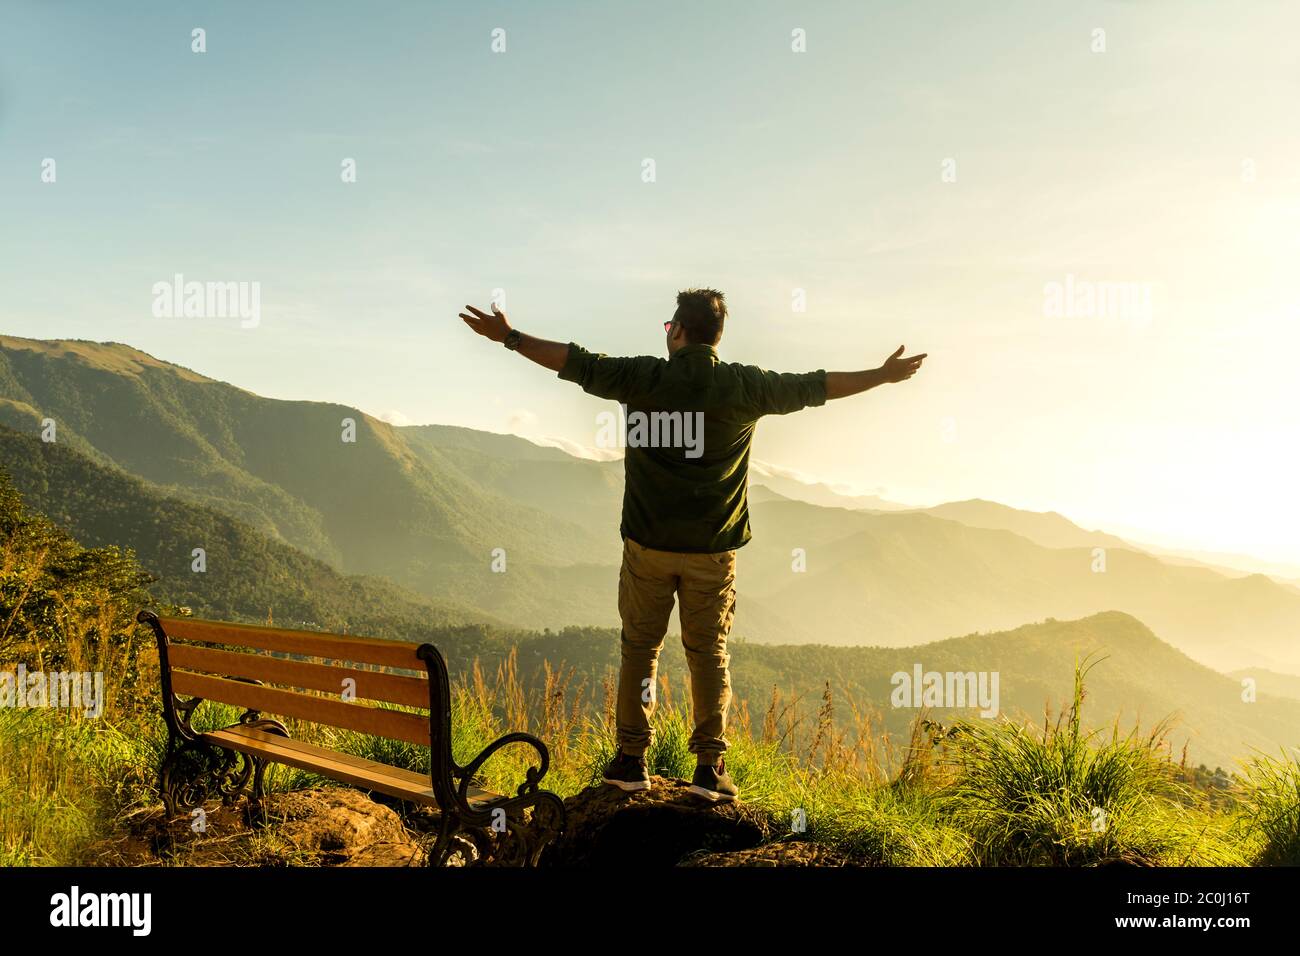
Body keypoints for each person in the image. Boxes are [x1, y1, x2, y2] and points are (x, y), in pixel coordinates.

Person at [458, 289, 926, 802]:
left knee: (640, 650)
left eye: (668, 326)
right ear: (716, 337)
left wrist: (509, 337)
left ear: (676, 331)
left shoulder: (642, 377)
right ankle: (709, 768)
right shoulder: (746, 385)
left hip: (647, 546)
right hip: (712, 551)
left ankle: (632, 760)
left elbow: (573, 361)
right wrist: (880, 376)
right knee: (709, 655)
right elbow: (816, 386)